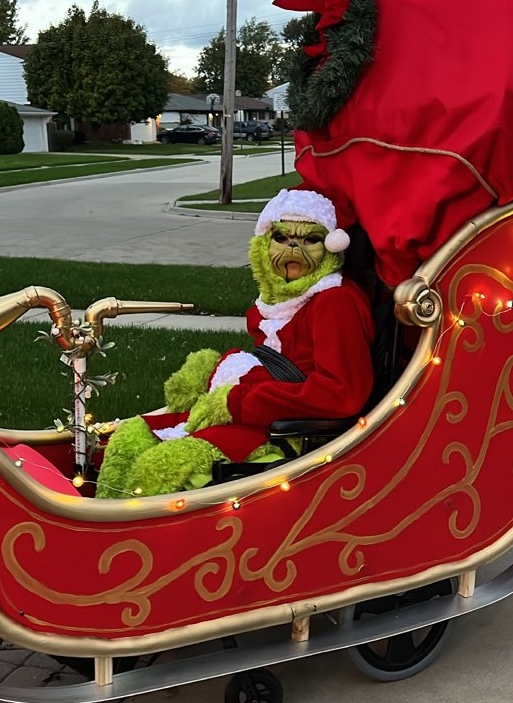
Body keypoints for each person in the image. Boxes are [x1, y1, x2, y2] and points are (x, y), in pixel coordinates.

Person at [96, 189, 375, 498]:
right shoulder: (280, 300)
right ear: (264, 245)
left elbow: (341, 394)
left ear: (331, 249)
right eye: (281, 238)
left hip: (288, 428)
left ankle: (136, 539)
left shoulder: (335, 302)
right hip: (256, 410)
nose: (294, 247)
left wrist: (243, 400)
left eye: (310, 240)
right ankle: (98, 520)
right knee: (130, 436)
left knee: (159, 465)